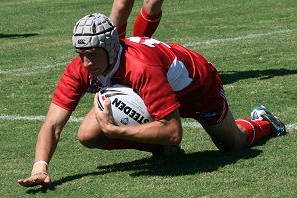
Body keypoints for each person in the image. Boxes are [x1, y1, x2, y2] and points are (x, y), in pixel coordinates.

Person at [17, 13, 286, 187]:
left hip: (197, 86)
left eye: (92, 54)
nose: (86, 63)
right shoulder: (80, 68)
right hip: (151, 92)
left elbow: (173, 131)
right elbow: (53, 124)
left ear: (111, 47)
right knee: (88, 134)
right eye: (80, 54)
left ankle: (263, 121)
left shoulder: (140, 68)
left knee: (233, 144)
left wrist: (116, 130)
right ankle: (158, 151)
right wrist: (40, 167)